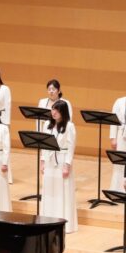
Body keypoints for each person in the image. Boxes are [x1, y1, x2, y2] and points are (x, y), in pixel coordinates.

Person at [41, 100, 78, 233]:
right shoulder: (47, 124)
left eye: (57, 110)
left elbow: (71, 147)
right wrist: (42, 161)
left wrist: (67, 165)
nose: (54, 112)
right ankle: (47, 221)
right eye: (53, 109)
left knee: (63, 191)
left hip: (62, 160)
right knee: (49, 190)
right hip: (50, 160)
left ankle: (64, 223)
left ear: (63, 112)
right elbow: (43, 144)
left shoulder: (69, 126)